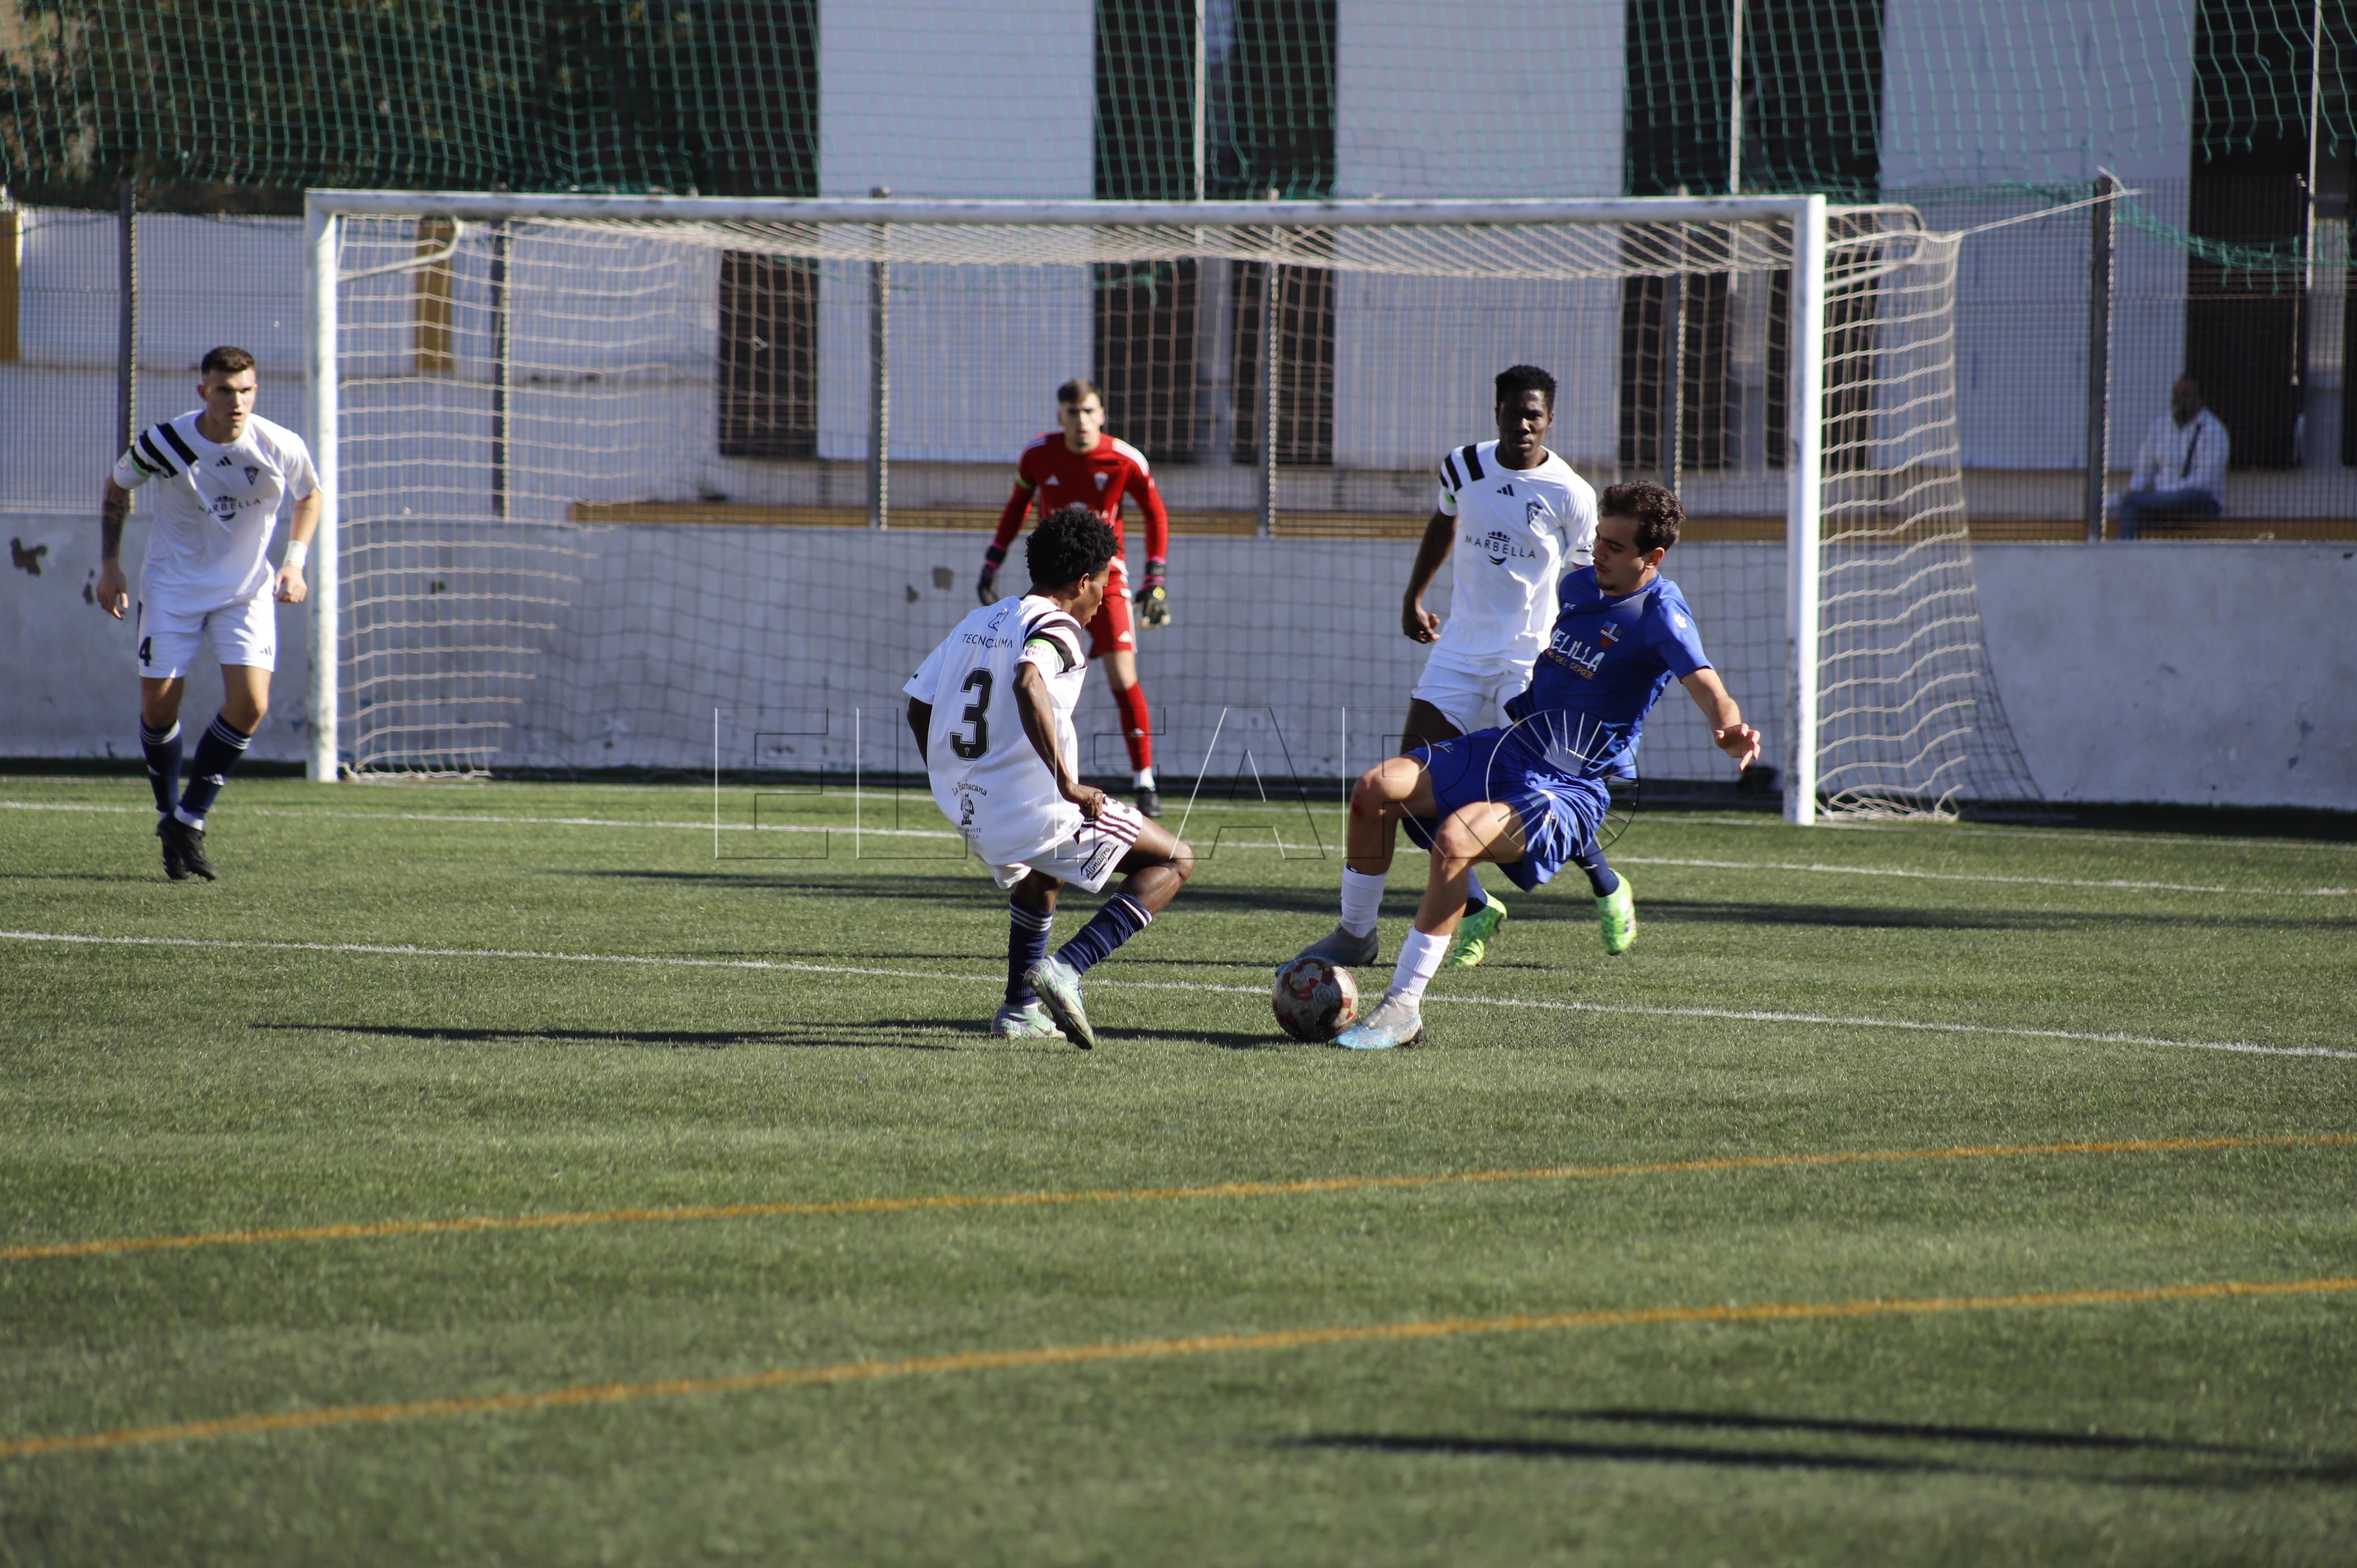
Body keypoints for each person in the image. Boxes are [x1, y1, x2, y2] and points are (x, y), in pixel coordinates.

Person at [1294, 481, 1759, 1051]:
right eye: (1597, 539)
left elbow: (1709, 686)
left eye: (1614, 546)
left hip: (1570, 786)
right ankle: (1354, 935)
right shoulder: (1577, 584)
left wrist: (1728, 727)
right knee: (1374, 790)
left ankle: (1403, 1006)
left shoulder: (1660, 613)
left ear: (1652, 558)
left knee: (1454, 839)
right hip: (1512, 746)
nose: (1598, 553)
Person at [912, 504, 1195, 1048]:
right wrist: (1069, 783)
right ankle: (1068, 967)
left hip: (970, 812)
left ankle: (1018, 1010)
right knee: (1176, 859)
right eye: (1108, 583)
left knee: (1045, 878)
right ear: (1083, 581)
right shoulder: (1058, 626)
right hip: (1037, 811)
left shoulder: (980, 619)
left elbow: (918, 706)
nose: (1108, 596)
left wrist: (951, 776)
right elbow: (1028, 680)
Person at [1394, 364, 1598, 970]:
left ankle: (1607, 885)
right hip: (1459, 648)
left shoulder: (1571, 493)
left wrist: (1575, 654)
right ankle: (1479, 903)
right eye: (1512, 412)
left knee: (1541, 789)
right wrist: (1413, 595)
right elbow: (1443, 519)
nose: (1523, 424)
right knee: (1407, 791)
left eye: (1533, 414)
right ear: (1497, 414)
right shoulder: (1463, 466)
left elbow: (1586, 584)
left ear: (1550, 420)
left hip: (1527, 658)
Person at [93, 346, 320, 881]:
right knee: (159, 708)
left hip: (245, 592)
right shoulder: (167, 442)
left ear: (255, 391)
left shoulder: (278, 443)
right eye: (225, 390)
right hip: (172, 589)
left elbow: (310, 496)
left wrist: (293, 564)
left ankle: (188, 820)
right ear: (204, 392)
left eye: (245, 390)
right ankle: (168, 813)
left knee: (251, 704)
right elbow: (117, 488)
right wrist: (110, 566)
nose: (236, 401)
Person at [978, 378, 1171, 817]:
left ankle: (1145, 781)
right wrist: (993, 560)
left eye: (1088, 412)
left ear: (1101, 414)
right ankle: (1037, 772)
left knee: (1123, 677)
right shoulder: (1037, 456)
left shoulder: (1124, 459)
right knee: (1036, 677)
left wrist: (1154, 577)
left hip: (1107, 582)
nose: (1081, 421)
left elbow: (1155, 513)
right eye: (1072, 412)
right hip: (1052, 585)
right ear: (1060, 415)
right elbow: (1017, 506)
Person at [2114, 377, 2228, 539]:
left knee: (2187, 495)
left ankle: (2124, 500)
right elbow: (2143, 470)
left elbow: (2205, 481)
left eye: (2186, 395)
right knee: (2131, 506)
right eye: (2176, 395)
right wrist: (2137, 490)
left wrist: (2161, 492)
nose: (2179, 400)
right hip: (2159, 502)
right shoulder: (2159, 427)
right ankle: (2125, 556)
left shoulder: (2214, 431)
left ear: (2200, 400)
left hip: (2198, 502)